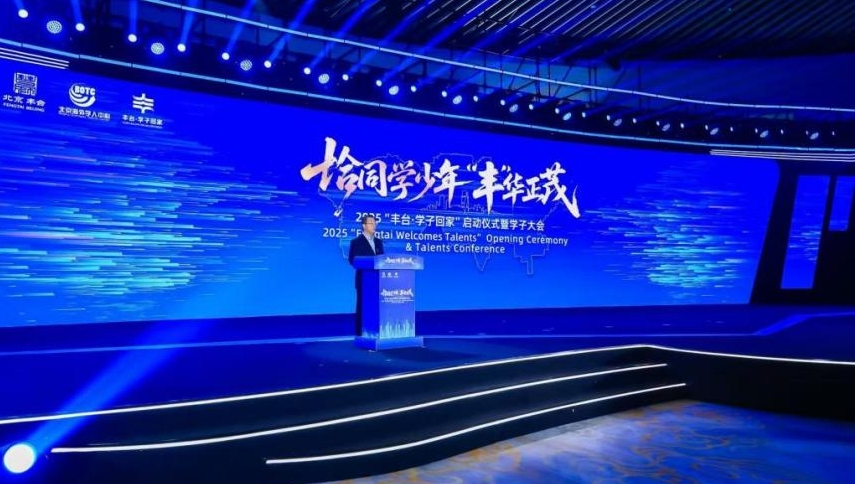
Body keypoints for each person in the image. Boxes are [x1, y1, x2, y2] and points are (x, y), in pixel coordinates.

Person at [348, 214, 384, 336]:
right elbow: (352, 260)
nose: (374, 225)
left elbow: (382, 260)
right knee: (362, 307)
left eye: (375, 223)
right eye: (371, 223)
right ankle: (360, 334)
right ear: (364, 225)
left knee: (376, 307)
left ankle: (375, 331)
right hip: (363, 281)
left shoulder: (378, 242)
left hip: (377, 281)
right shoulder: (356, 242)